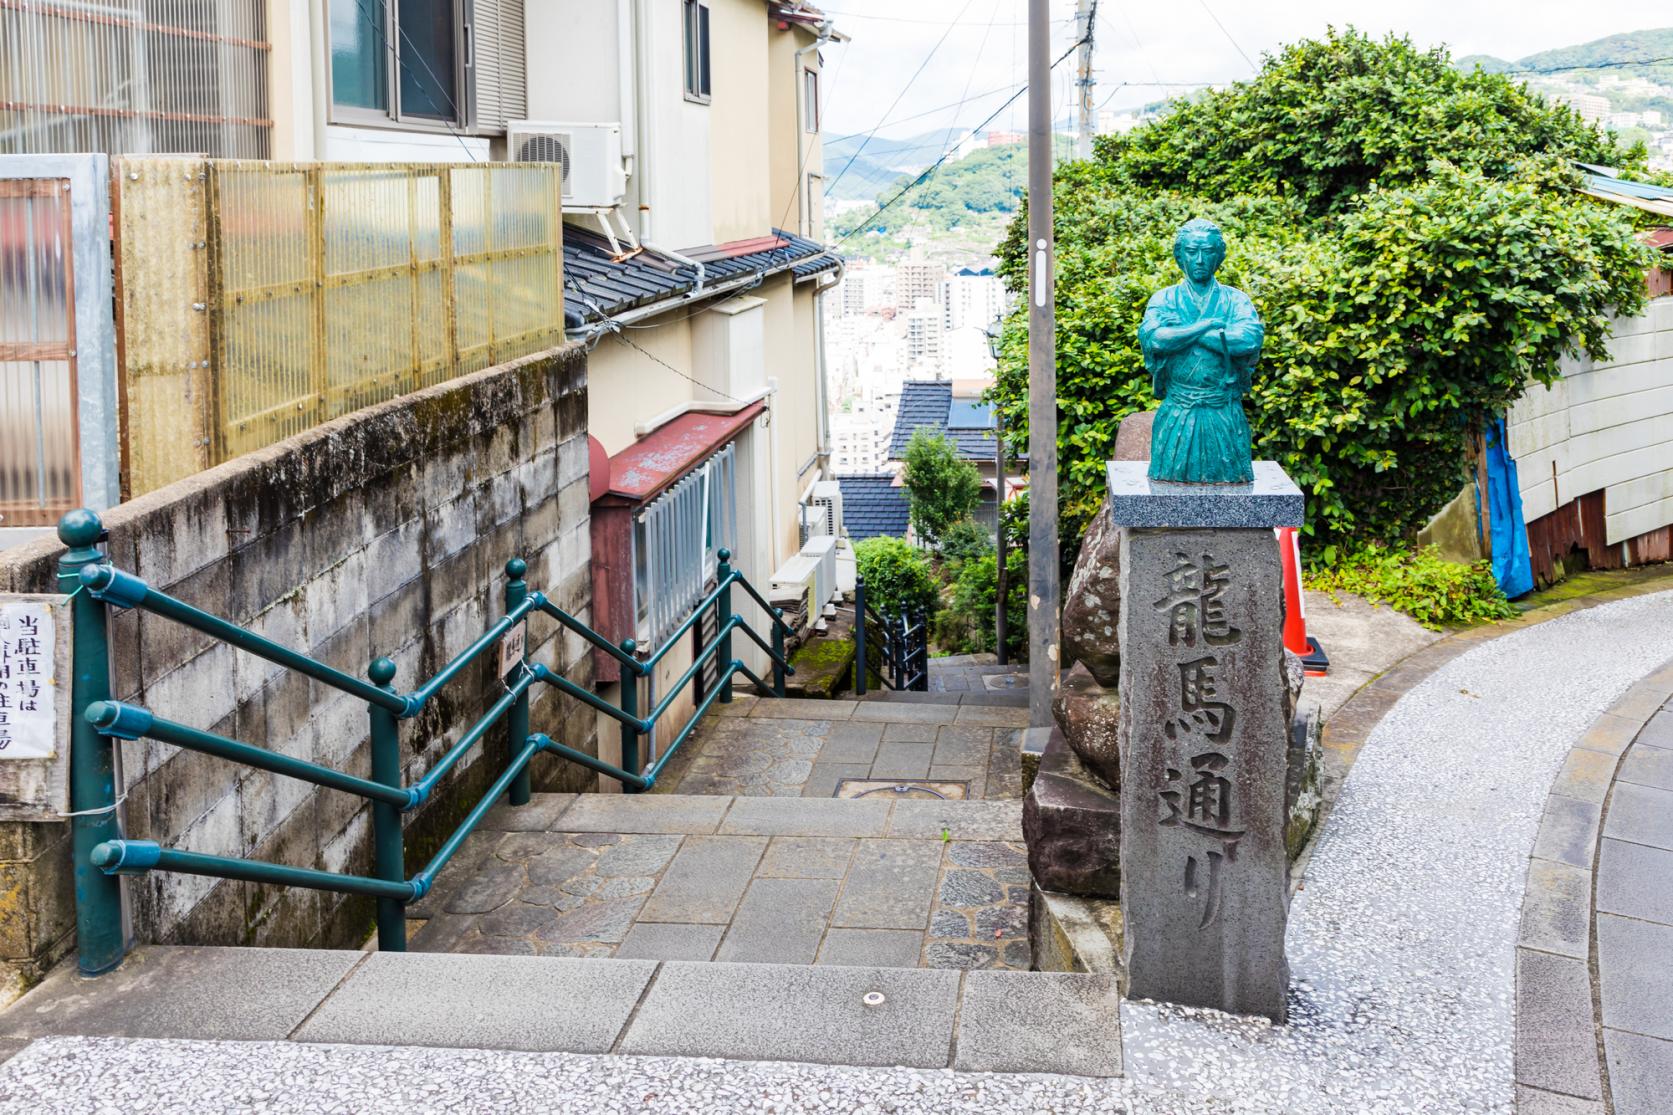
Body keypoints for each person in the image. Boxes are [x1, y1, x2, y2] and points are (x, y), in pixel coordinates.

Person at [1138, 218, 1265, 484]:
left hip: (1223, 411)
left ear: (1219, 256)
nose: (1199, 260)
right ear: (1179, 255)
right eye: (1191, 251)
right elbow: (1158, 340)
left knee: (1232, 480)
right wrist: (1207, 325)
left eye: (1207, 252)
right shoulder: (1164, 299)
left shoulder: (1236, 300)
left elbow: (1247, 341)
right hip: (1178, 414)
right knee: (1169, 479)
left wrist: (1184, 332)